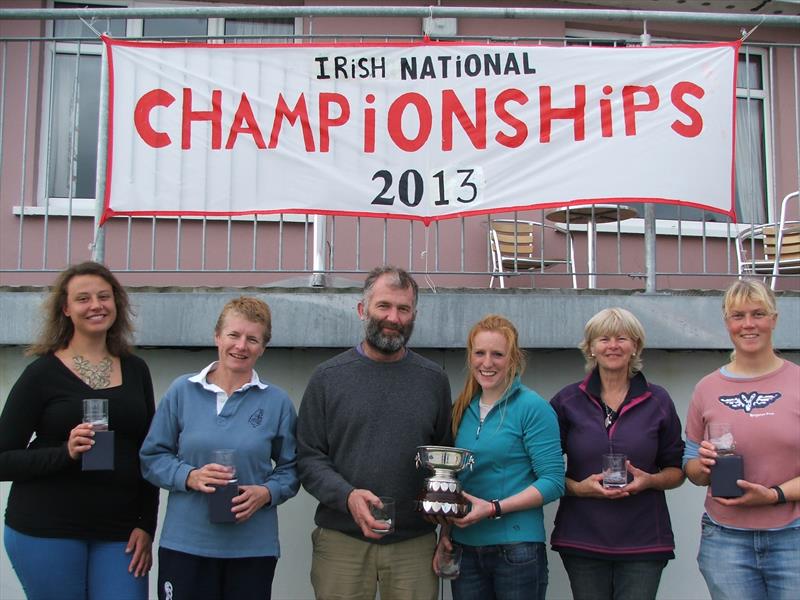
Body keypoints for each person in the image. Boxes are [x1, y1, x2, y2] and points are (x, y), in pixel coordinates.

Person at [0, 261, 158, 600]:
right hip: (47, 528)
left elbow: (149, 453)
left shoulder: (135, 370)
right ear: (66, 309)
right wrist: (65, 452)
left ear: (117, 302)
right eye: (83, 298)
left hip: (119, 532)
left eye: (104, 296)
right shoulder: (42, 373)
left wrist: (146, 524)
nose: (96, 305)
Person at [297, 265, 453, 600]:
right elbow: (309, 458)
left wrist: (446, 529)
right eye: (383, 306)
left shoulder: (433, 380)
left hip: (414, 545)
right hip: (343, 541)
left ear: (414, 315)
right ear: (362, 309)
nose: (393, 318)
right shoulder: (327, 378)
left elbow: (444, 460)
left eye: (403, 309)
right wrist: (347, 496)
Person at [139, 296, 299, 600]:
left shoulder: (276, 402)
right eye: (233, 335)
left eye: (252, 339)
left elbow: (292, 468)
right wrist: (189, 476)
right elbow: (152, 457)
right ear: (217, 336)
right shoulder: (182, 391)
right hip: (186, 545)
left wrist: (266, 493)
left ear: (263, 347)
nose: (241, 346)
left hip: (252, 548)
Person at [549, 307, 685, 600]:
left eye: (622, 338)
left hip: (644, 540)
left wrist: (649, 481)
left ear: (635, 346)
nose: (613, 345)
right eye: (604, 338)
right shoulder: (566, 401)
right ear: (591, 348)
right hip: (582, 536)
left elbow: (677, 471)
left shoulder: (658, 400)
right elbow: (544, 468)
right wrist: (578, 488)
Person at [683, 279, 799, 600]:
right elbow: (690, 469)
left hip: (793, 538)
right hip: (725, 540)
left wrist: (774, 495)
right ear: (726, 323)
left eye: (758, 314)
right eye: (738, 316)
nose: (748, 324)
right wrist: (703, 466)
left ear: (774, 319)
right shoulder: (707, 387)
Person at [436, 314, 564, 600]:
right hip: (464, 549)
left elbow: (554, 481)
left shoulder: (532, 407)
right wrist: (444, 535)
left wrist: (494, 508)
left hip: (517, 549)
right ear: (470, 357)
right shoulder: (461, 409)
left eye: (497, 354)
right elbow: (454, 479)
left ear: (513, 358)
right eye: (479, 353)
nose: (487, 362)